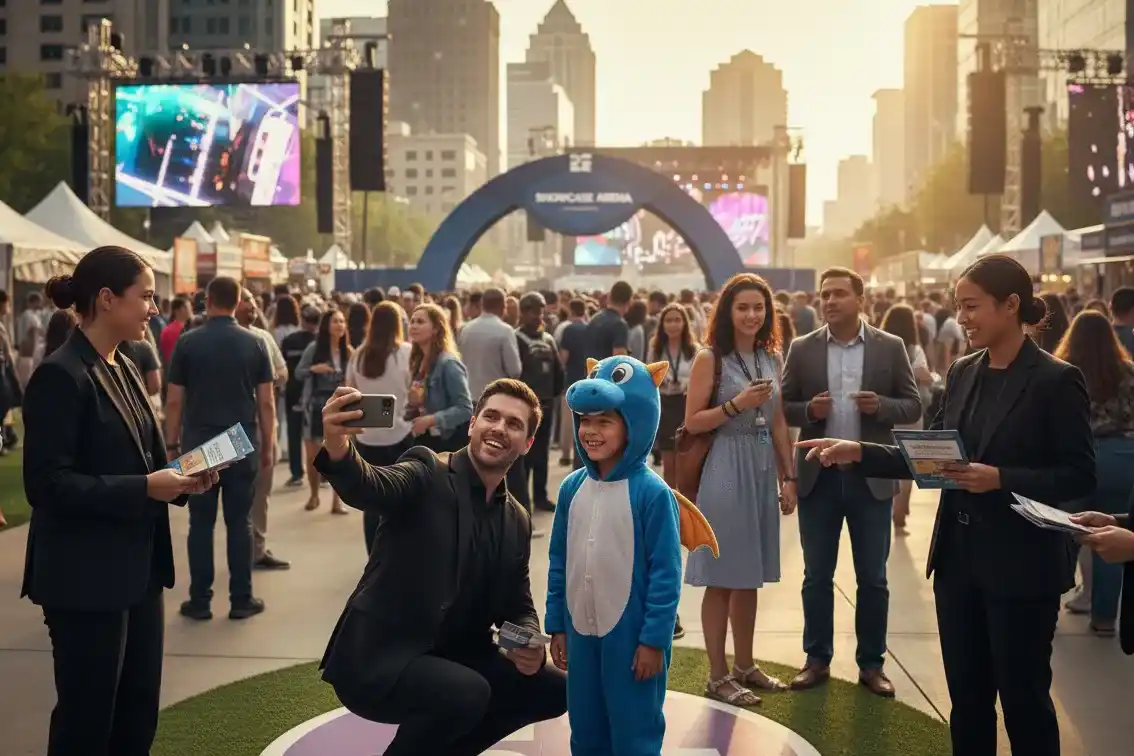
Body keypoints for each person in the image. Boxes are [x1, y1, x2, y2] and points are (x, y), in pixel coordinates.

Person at [798, 254, 1096, 756]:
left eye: (972, 306)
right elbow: (931, 454)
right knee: (968, 699)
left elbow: (1079, 474)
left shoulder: (1054, 379)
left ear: (1011, 305)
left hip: (1023, 566)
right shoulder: (962, 371)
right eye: (959, 306)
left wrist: (1001, 478)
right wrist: (859, 453)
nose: (963, 317)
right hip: (959, 562)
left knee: (1024, 701)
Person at [21, 246, 217, 755]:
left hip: (138, 573)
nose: (155, 306)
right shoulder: (60, 375)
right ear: (106, 299)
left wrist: (185, 476)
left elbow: (144, 463)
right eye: (146, 296)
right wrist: (146, 487)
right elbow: (47, 486)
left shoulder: (126, 365)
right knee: (87, 724)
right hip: (84, 581)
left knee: (136, 717)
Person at [312, 379, 568, 756]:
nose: (499, 428)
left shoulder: (516, 518)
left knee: (553, 689)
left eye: (514, 424)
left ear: (528, 443)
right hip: (380, 657)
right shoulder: (427, 470)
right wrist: (337, 444)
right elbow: (369, 486)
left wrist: (526, 641)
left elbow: (517, 604)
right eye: (491, 416)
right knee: (466, 692)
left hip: (456, 655)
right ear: (472, 425)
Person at [546, 355, 716, 755]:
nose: (591, 431)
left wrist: (654, 640)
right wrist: (557, 624)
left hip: (633, 639)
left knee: (634, 729)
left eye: (605, 421)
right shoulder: (571, 489)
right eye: (585, 420)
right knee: (585, 727)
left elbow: (665, 573)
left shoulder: (652, 493)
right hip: (580, 633)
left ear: (634, 423)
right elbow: (559, 561)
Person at [780, 266, 922, 697]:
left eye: (839, 293)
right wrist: (810, 412)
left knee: (873, 578)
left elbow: (913, 404)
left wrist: (881, 406)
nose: (830, 301)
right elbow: (784, 407)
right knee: (816, 576)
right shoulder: (802, 349)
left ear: (860, 299)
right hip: (818, 478)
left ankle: (871, 663)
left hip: (871, 479)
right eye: (825, 294)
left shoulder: (890, 347)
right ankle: (816, 658)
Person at [683, 273, 799, 705]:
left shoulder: (772, 355)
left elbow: (781, 419)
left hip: (761, 464)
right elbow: (692, 421)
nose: (752, 315)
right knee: (722, 576)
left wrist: (789, 477)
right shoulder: (709, 358)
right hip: (725, 468)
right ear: (727, 311)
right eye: (743, 307)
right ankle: (717, 674)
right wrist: (736, 405)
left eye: (759, 307)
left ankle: (745, 665)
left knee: (748, 575)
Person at [165, 276, 276, 621]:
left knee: (200, 524)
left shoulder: (187, 343)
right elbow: (267, 402)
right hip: (240, 441)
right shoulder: (256, 343)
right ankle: (241, 598)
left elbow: (173, 401)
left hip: (199, 442)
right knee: (239, 522)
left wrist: (171, 445)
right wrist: (269, 445)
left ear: (207, 300)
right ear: (239, 300)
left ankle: (200, 600)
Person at [1053, 310, 1134, 636]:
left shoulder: (1063, 372)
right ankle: (1103, 619)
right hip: (1122, 456)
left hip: (1076, 456)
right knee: (1110, 537)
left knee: (1065, 531)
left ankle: (1049, 609)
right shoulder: (1127, 371)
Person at [345, 300, 414, 553]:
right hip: (400, 434)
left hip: (367, 437)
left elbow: (349, 390)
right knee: (400, 500)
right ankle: (397, 555)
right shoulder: (407, 352)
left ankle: (373, 556)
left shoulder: (358, 355)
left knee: (372, 501)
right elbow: (415, 391)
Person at [511, 292, 563, 517]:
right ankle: (522, 500)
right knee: (524, 454)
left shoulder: (548, 339)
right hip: (524, 406)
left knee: (541, 453)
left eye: (540, 310)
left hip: (546, 403)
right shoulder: (515, 338)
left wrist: (554, 393)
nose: (537, 315)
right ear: (523, 312)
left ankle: (540, 496)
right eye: (533, 311)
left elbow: (558, 371)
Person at [296, 309, 352, 514]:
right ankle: (314, 494)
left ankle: (337, 501)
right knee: (313, 455)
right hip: (316, 404)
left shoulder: (349, 351)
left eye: (342, 321)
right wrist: (314, 369)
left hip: (340, 404)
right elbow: (298, 372)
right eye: (335, 321)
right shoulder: (314, 348)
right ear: (327, 325)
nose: (339, 325)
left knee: (339, 455)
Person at [280, 306, 320, 487]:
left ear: (302, 320)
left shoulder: (289, 341)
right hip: (316, 394)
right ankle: (323, 474)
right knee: (318, 436)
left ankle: (297, 473)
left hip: (293, 392)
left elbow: (281, 366)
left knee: (294, 433)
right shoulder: (321, 343)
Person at [458, 287, 522, 398]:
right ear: (503, 307)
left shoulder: (466, 329)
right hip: (495, 397)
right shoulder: (505, 331)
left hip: (468, 396)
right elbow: (514, 370)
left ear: (482, 305)